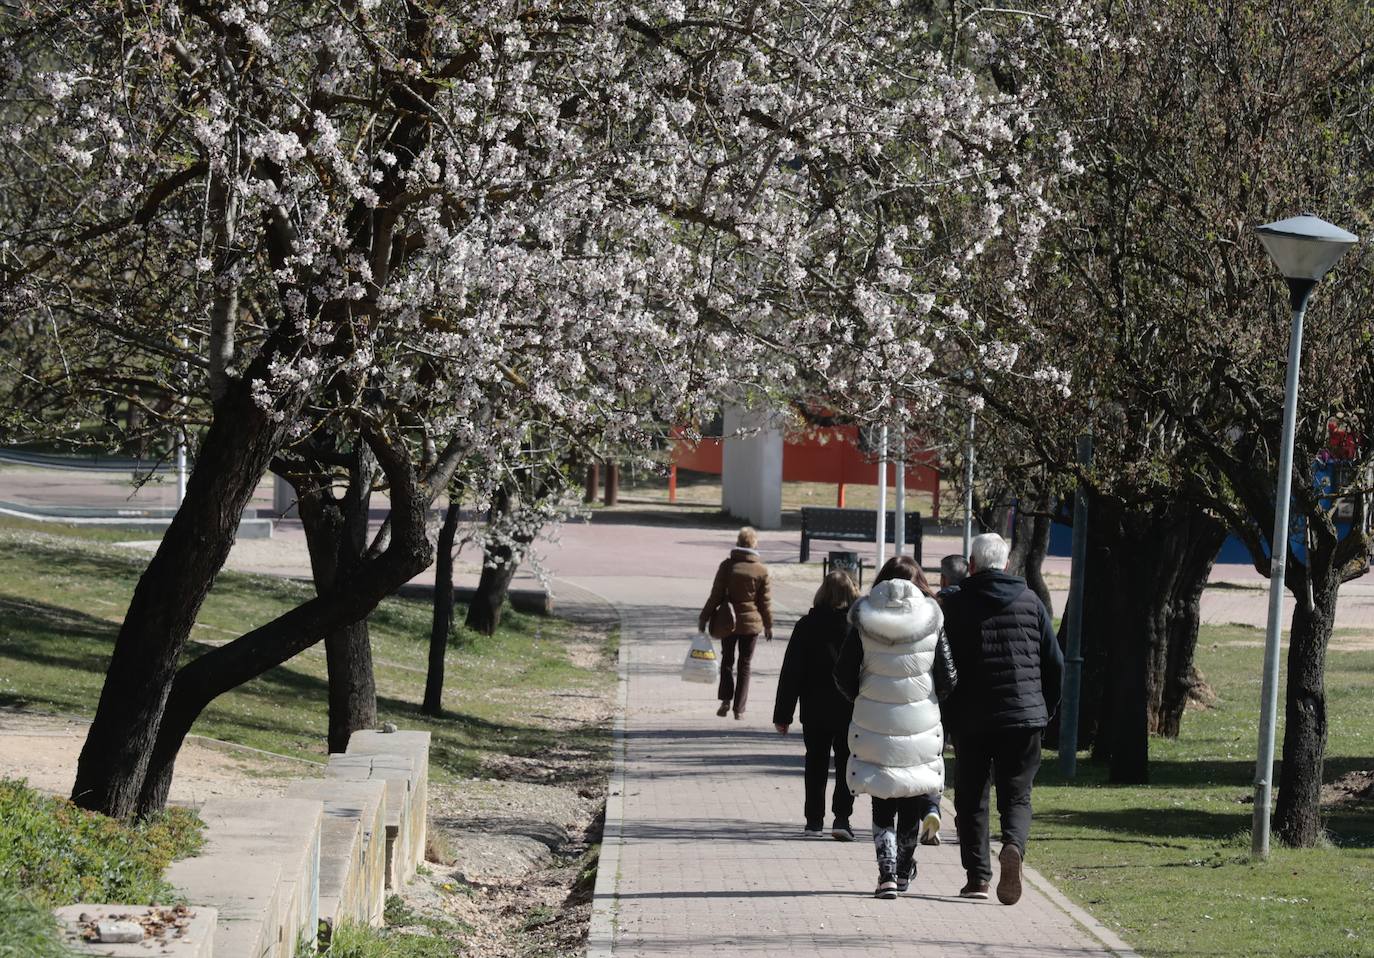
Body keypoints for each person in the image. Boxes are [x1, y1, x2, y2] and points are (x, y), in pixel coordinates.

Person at [942, 532, 1063, 905]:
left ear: (972, 565)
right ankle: (1013, 845)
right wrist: (1045, 709)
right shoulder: (1031, 602)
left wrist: (945, 713)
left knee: (972, 796)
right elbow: (1054, 662)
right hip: (1023, 717)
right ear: (1007, 564)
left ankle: (978, 877)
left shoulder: (954, 604)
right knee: (1017, 795)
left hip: (971, 718)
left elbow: (940, 662)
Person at [834, 555, 956, 899]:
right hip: (920, 723)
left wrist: (864, 697)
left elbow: (843, 674)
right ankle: (903, 870)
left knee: (883, 800)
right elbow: (948, 677)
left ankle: (886, 874)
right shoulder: (933, 620)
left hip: (874, 721)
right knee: (912, 798)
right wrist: (928, 699)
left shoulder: (864, 621)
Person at [773, 571, 859, 841]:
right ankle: (842, 817)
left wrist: (783, 714)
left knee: (816, 762)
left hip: (814, 707)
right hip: (849, 708)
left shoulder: (806, 626)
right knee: (847, 763)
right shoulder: (857, 629)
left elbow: (791, 672)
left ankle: (814, 821)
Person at [698, 526, 773, 719]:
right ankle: (739, 709)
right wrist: (768, 625)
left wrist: (704, 617)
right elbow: (764, 603)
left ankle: (725, 699)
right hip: (751, 624)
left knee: (727, 661)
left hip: (727, 621)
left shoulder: (727, 566)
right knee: (745, 665)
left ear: (738, 543)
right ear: (755, 544)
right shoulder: (761, 570)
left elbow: (715, 596)